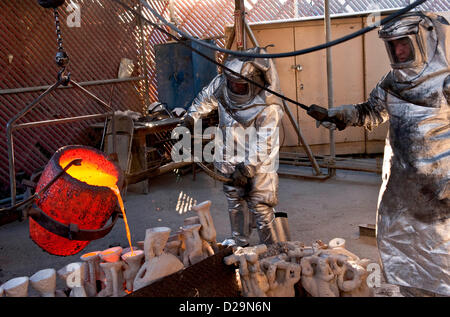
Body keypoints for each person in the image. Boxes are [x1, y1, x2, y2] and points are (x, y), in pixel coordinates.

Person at [315, 12, 449, 297]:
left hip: (441, 192)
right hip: (400, 190)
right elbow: (373, 111)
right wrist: (345, 115)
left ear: (423, 39)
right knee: (399, 249)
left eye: (404, 43)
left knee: (441, 258)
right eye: (393, 45)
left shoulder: (446, 82)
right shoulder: (392, 81)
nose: (399, 50)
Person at [180, 47, 289, 247]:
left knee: (260, 205)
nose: (233, 88)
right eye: (231, 83)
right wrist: (190, 117)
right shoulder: (223, 85)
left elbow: (265, 142)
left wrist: (247, 169)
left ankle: (274, 251)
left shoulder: (268, 104)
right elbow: (205, 98)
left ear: (254, 83)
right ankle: (240, 243)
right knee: (234, 200)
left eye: (239, 86)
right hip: (229, 154)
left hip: (259, 162)